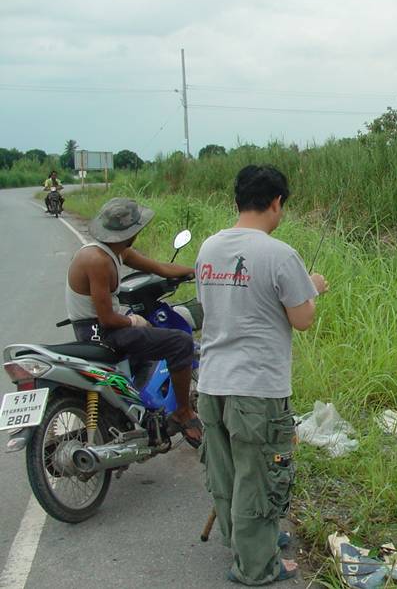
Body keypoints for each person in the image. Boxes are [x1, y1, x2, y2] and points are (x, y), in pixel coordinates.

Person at [195, 165, 328, 585]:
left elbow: (211, 306)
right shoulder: (279, 254)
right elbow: (302, 318)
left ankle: (246, 542)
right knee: (258, 477)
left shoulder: (208, 249)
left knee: (227, 473)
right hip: (257, 390)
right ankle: (256, 566)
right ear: (276, 203)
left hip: (212, 383)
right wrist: (314, 287)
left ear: (236, 201)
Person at [66, 197, 202, 445]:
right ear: (133, 232)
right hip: (99, 332)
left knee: (147, 342)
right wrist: (133, 321)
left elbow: (159, 268)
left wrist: (198, 271)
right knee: (180, 342)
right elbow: (107, 319)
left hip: (95, 328)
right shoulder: (98, 261)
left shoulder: (114, 252)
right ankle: (184, 412)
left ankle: (136, 412)